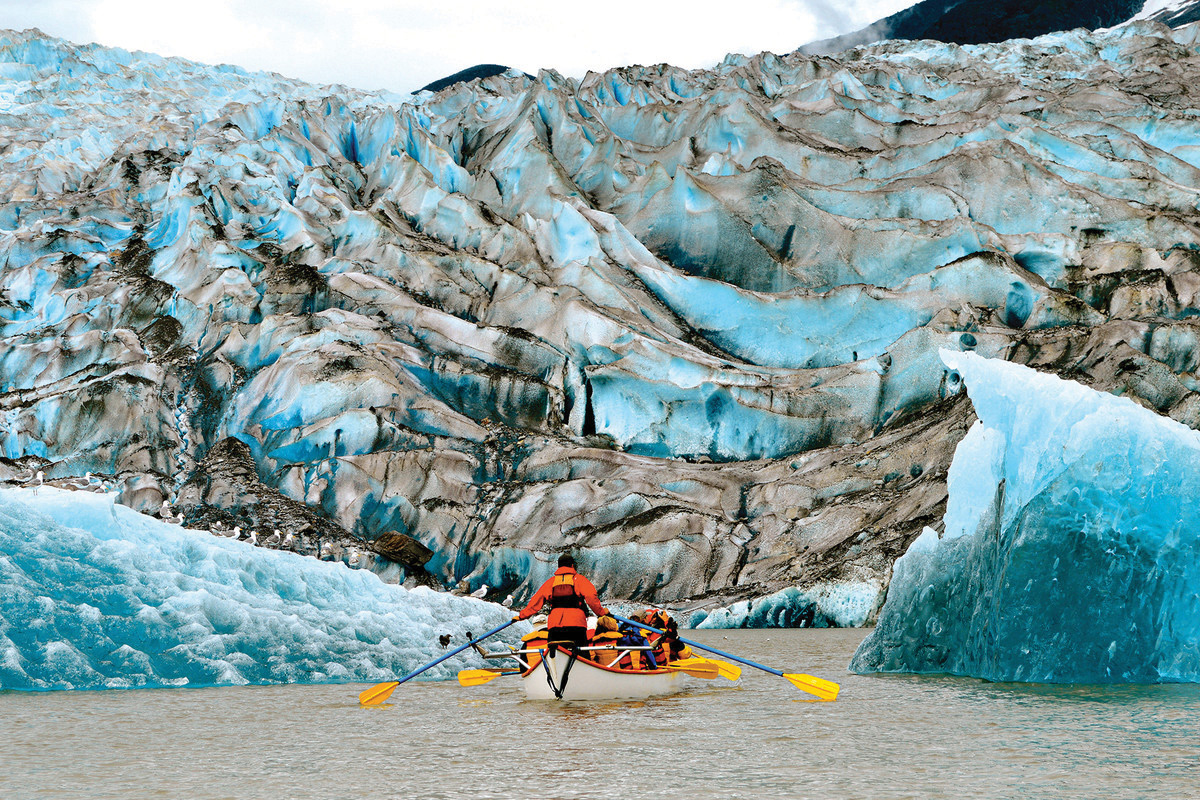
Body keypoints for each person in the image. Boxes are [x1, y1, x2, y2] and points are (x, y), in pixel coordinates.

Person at [516, 554, 608, 656]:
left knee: (556, 654)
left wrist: (522, 616)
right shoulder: (579, 580)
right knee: (582, 654)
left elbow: (536, 602)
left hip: (555, 626)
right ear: (572, 566)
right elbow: (591, 598)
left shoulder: (551, 582)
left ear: (558, 567)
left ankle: (556, 669)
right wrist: (602, 613)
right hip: (576, 625)